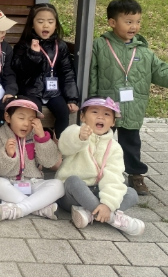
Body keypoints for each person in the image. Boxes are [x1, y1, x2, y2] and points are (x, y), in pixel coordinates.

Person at [89, 0, 168, 195]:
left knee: (131, 143)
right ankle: (94, 174)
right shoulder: (100, 46)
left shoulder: (144, 51)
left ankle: (135, 175)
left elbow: (161, 72)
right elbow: (91, 75)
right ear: (112, 22)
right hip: (106, 106)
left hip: (133, 106)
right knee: (100, 141)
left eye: (138, 21)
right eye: (128, 21)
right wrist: (90, 102)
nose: (134, 26)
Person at [56, 97, 144, 235]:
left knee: (131, 193)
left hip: (98, 192)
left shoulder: (115, 147)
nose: (101, 117)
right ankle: (112, 218)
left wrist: (108, 203)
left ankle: (90, 213)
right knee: (73, 181)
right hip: (71, 195)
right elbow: (64, 146)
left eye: (107, 114)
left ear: (113, 122)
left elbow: (113, 176)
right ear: (82, 116)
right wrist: (79, 137)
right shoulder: (76, 132)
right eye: (95, 112)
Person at [0, 98, 64, 221]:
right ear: (8, 117)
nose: (26, 124)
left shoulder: (35, 135)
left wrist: (42, 138)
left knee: (58, 185)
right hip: (9, 183)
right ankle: (39, 208)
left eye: (31, 119)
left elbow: (50, 162)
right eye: (21, 118)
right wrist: (8, 155)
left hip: (34, 183)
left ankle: (19, 209)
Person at [12, 3, 79, 138]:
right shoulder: (24, 45)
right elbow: (19, 70)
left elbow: (67, 73)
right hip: (31, 90)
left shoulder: (60, 46)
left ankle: (60, 143)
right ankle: (30, 143)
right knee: (32, 112)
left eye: (50, 22)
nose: (46, 25)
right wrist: (33, 55)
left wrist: (72, 98)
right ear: (32, 24)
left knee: (63, 111)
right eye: (40, 21)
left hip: (53, 92)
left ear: (56, 25)